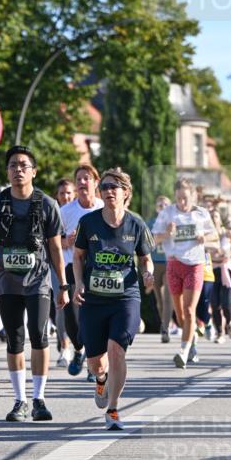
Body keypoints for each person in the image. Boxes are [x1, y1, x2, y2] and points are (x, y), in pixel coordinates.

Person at [0, 145, 69, 422]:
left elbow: (56, 249)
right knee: (14, 340)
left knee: (38, 335)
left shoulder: (48, 204)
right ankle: (19, 400)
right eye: (13, 165)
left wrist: (63, 285)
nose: (18, 170)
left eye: (24, 165)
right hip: (7, 282)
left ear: (34, 172)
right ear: (7, 171)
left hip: (38, 281)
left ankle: (39, 398)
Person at [73, 167, 154, 430]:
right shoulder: (89, 223)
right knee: (96, 362)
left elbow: (145, 260)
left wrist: (148, 274)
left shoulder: (136, 224)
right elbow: (77, 256)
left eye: (114, 187)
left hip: (125, 297)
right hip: (94, 300)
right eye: (105, 187)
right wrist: (78, 283)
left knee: (117, 349)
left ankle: (114, 408)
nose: (108, 191)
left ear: (125, 193)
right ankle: (101, 379)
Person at [153, 178, 215, 368]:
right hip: (173, 265)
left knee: (189, 310)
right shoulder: (167, 213)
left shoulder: (201, 213)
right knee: (180, 314)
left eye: (185, 199)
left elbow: (214, 237)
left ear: (193, 196)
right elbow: (154, 240)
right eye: (179, 199)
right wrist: (166, 234)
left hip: (195, 265)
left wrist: (204, 237)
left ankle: (184, 350)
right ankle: (192, 339)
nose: (182, 203)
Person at [59, 165, 103, 376]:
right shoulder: (66, 211)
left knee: (95, 318)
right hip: (70, 268)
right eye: (79, 179)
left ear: (96, 182)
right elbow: (51, 242)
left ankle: (94, 364)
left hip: (98, 269)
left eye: (87, 178)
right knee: (73, 320)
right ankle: (78, 349)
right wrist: (66, 241)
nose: (82, 182)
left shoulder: (104, 208)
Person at [209, 206, 231, 343]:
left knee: (227, 304)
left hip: (226, 270)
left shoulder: (227, 233)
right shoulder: (206, 235)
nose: (212, 219)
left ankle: (229, 323)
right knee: (215, 304)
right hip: (212, 270)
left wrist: (229, 254)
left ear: (220, 219)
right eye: (210, 217)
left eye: (215, 216)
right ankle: (219, 333)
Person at [51, 178, 75, 366]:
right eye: (62, 193)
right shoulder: (54, 213)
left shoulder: (80, 211)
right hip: (58, 266)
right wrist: (65, 242)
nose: (65, 196)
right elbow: (49, 242)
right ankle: (64, 347)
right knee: (60, 306)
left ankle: (79, 344)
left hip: (79, 266)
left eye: (68, 193)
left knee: (78, 307)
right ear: (57, 196)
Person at [146, 194, 173, 343]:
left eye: (166, 205)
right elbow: (150, 244)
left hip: (170, 262)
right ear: (156, 209)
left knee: (168, 297)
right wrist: (166, 234)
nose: (163, 208)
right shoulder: (150, 224)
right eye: (160, 205)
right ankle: (165, 322)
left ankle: (165, 328)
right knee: (159, 299)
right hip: (155, 263)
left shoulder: (174, 223)